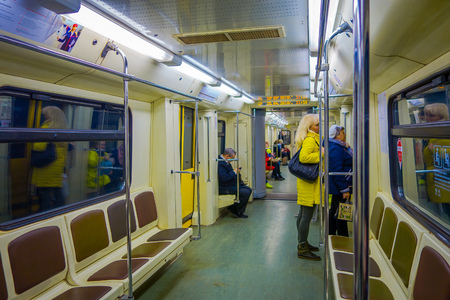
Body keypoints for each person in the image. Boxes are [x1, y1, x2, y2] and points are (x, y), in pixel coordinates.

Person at [294, 114, 323, 261]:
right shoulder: (311, 140)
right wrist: (321, 155)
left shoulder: (312, 139)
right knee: (306, 216)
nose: (320, 126)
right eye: (317, 124)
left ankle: (303, 242)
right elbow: (304, 158)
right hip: (309, 184)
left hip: (307, 182)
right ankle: (302, 247)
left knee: (302, 214)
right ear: (310, 127)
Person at [31, 106, 68, 211]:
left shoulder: (46, 128)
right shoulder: (64, 130)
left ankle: (44, 217)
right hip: (57, 169)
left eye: (45, 114)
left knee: (44, 195)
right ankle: (60, 213)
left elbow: (38, 147)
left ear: (51, 116)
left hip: (45, 169)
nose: (44, 117)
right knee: (57, 193)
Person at [422, 103, 450, 217]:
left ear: (441, 117)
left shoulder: (445, 133)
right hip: (436, 180)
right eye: (426, 115)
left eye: (431, 115)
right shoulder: (432, 134)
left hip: (445, 181)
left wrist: (436, 150)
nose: (427, 118)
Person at [328, 124, 353, 237]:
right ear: (336, 136)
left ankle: (333, 234)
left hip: (342, 185)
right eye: (342, 133)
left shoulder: (341, 147)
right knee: (340, 213)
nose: (345, 134)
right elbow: (337, 171)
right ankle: (341, 237)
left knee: (336, 211)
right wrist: (344, 189)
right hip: (340, 186)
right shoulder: (335, 148)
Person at [218, 148, 252, 218]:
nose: (232, 160)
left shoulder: (225, 162)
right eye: (232, 158)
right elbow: (224, 178)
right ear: (227, 156)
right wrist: (234, 172)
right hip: (225, 187)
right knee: (245, 192)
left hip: (230, 184)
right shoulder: (220, 163)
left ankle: (234, 208)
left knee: (249, 189)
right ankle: (238, 211)